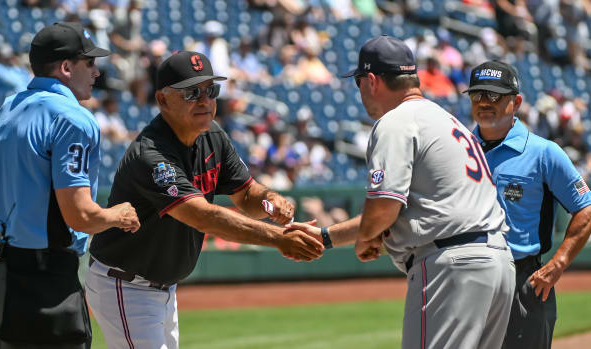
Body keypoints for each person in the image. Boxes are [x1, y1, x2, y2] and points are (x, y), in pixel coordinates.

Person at [85, 51, 324, 349]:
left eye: (211, 90)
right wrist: (278, 238)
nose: (204, 100)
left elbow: (247, 194)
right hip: (126, 283)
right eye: (191, 92)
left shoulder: (212, 134)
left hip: (162, 287)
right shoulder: (151, 155)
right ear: (162, 100)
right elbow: (202, 216)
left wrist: (269, 199)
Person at [289, 35, 516, 349]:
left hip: (452, 266)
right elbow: (411, 208)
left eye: (358, 82)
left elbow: (383, 210)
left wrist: (368, 237)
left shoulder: (396, 122)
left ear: (372, 80)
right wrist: (327, 238)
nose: (360, 92)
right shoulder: (446, 120)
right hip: (497, 264)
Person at [0, 22, 140, 349]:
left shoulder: (9, 107)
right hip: (43, 281)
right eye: (89, 63)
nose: (96, 72)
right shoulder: (72, 117)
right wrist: (118, 216)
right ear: (66, 67)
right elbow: (79, 216)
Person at [466, 60, 591, 349]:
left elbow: (585, 208)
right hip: (467, 278)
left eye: (494, 95)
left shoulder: (544, 152)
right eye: (477, 95)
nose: (484, 102)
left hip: (522, 280)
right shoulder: (458, 148)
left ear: (516, 102)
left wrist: (558, 264)